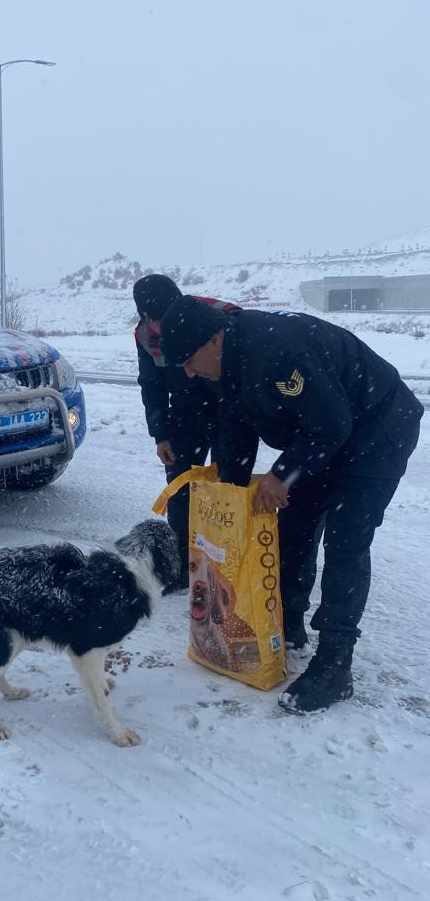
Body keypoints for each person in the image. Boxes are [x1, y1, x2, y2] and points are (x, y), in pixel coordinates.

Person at [159, 295, 424, 713]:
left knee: (345, 539)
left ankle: (335, 664)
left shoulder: (275, 352)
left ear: (212, 339)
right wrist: (232, 493)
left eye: (190, 361)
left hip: (377, 428)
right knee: (294, 526)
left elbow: (332, 423)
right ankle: (287, 624)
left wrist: (283, 474)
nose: (189, 373)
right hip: (323, 434)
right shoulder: (228, 359)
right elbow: (237, 426)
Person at [132, 275, 238, 589]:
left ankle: (226, 562)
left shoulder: (219, 314)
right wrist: (160, 434)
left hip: (226, 413)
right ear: (146, 317)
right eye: (157, 321)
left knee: (227, 489)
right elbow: (151, 385)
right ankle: (181, 566)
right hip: (184, 417)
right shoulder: (144, 337)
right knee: (180, 489)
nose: (165, 326)